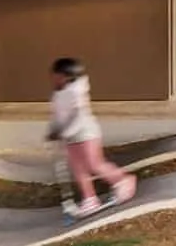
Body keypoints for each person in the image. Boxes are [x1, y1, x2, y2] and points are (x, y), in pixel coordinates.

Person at [47, 56, 137, 218]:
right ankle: (89, 199)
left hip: (86, 134)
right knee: (78, 169)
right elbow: (58, 116)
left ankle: (123, 181)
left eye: (56, 75)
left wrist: (64, 132)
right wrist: (53, 130)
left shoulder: (76, 92)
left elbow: (78, 116)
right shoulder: (58, 94)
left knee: (93, 164)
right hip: (70, 138)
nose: (53, 78)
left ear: (66, 75)